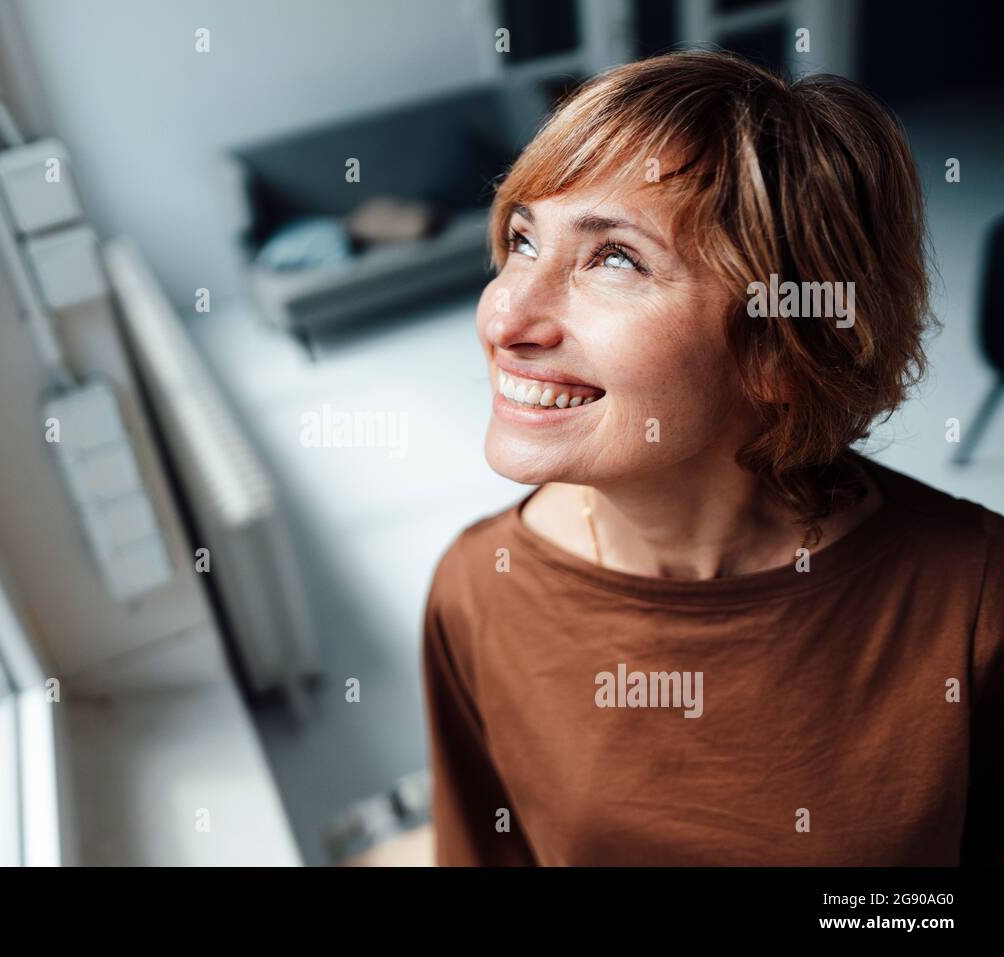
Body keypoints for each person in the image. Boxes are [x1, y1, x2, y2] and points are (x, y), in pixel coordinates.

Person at [422, 50, 1003, 865]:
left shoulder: (975, 596)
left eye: (613, 257)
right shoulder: (476, 590)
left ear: (780, 348)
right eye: (523, 239)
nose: (505, 313)